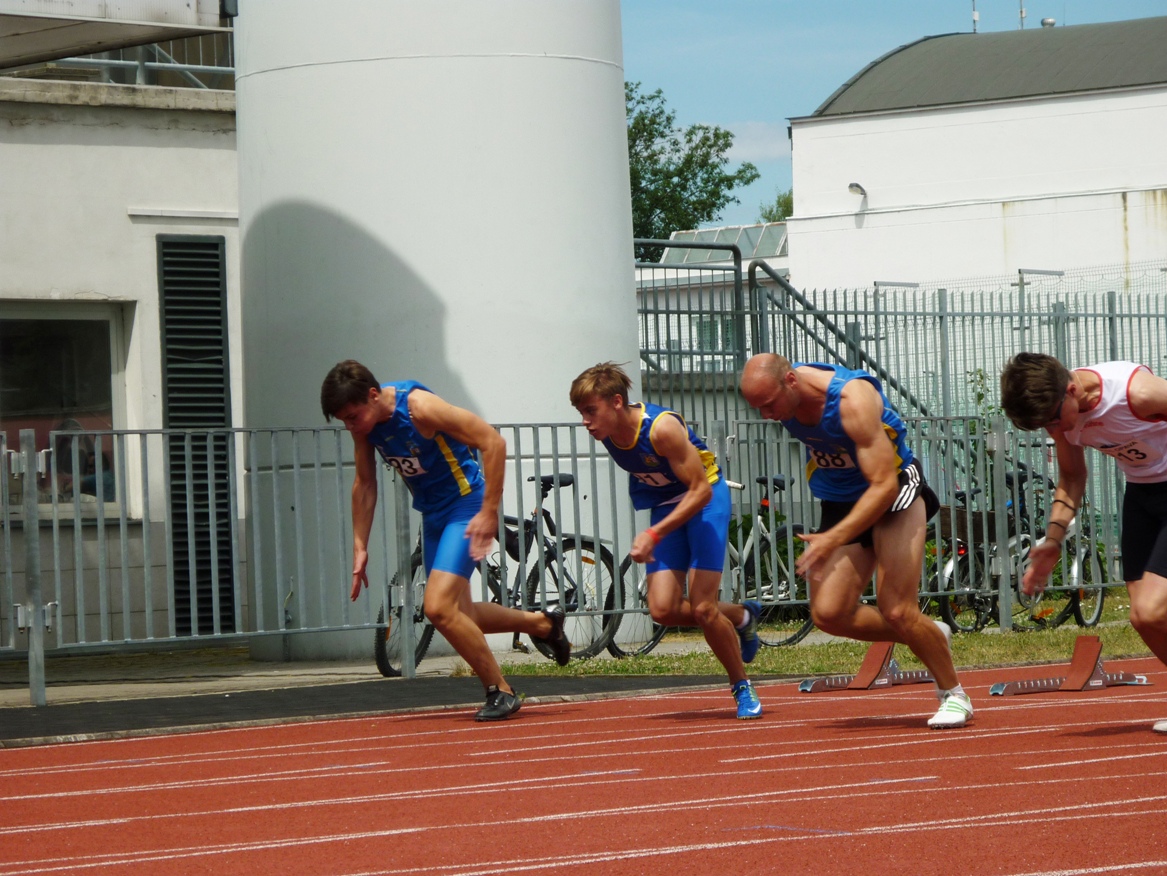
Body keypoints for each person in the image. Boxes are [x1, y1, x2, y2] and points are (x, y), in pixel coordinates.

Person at [321, 360, 570, 721]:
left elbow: (493, 442)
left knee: (437, 608)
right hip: (433, 514)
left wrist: (489, 511)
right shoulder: (366, 425)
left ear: (373, 395)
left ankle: (500, 689)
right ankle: (545, 624)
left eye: (352, 417)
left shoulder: (420, 407)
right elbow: (364, 483)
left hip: (466, 506)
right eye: (343, 420)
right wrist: (360, 546)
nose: (350, 426)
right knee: (461, 614)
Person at [739, 353, 972, 729]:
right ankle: (928, 633)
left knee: (896, 608)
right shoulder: (787, 394)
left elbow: (884, 486)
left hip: (893, 490)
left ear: (791, 382)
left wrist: (832, 538)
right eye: (758, 408)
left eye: (769, 404)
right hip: (841, 498)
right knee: (829, 614)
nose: (766, 415)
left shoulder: (853, 400)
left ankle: (954, 695)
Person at [570, 362, 764, 719]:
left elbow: (700, 490)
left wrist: (653, 533)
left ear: (617, 402)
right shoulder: (609, 432)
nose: (585, 421)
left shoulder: (661, 430)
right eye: (581, 412)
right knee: (662, 610)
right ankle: (741, 616)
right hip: (667, 506)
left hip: (705, 500)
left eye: (590, 411)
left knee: (704, 608)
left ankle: (741, 685)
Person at [1001, 353, 1167, 736]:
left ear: (1072, 390)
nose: (1053, 431)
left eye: (1052, 420)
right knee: (1142, 618)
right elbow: (1072, 477)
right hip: (1142, 496)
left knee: (1153, 609)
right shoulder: (1063, 416)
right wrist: (1052, 540)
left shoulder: (1137, 394)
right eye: (1043, 426)